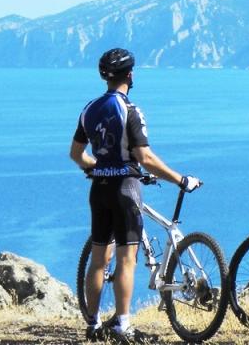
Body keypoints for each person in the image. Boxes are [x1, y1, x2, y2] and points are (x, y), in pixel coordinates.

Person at [69, 48, 201, 343]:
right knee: (127, 260)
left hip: (99, 190)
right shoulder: (130, 109)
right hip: (126, 190)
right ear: (130, 75)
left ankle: (92, 325)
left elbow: (76, 154)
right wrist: (180, 179)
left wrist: (97, 167)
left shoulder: (89, 109)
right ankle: (122, 325)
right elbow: (144, 156)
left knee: (99, 260)